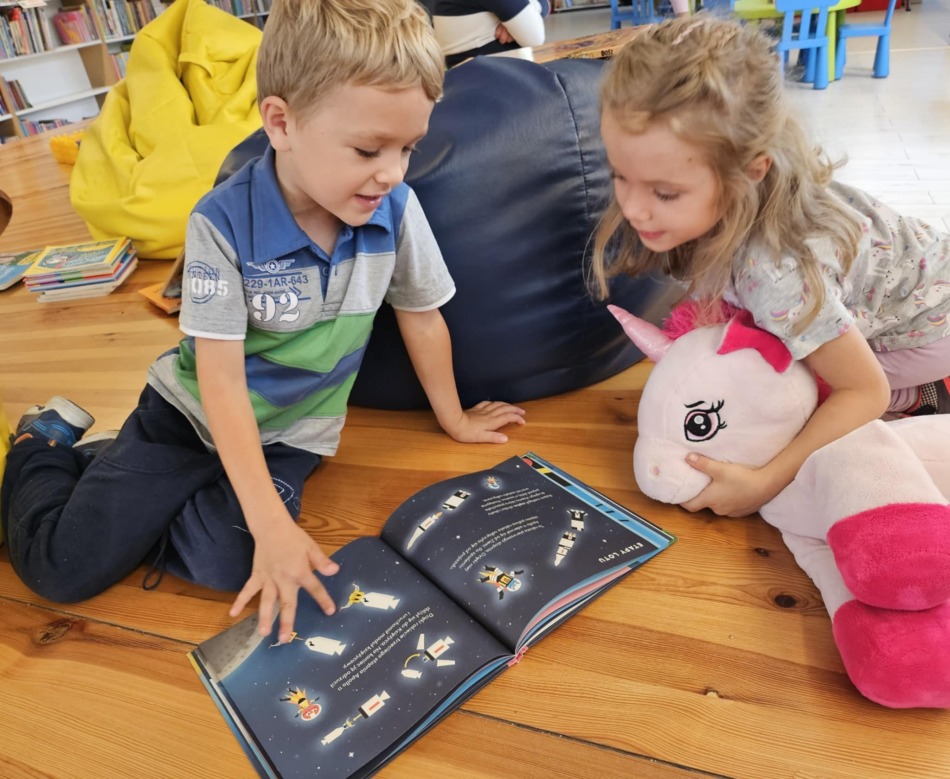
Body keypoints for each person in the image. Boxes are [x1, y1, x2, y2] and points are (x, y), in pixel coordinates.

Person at [1, 0, 525, 644]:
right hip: (188, 419)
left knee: (231, 561)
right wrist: (270, 521)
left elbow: (422, 316)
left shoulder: (396, 206)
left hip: (290, 436)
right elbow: (219, 381)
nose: (391, 173)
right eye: (368, 149)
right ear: (281, 122)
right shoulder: (221, 222)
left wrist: (455, 418)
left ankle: (115, 480)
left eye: (408, 149)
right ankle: (44, 444)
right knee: (61, 568)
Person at [589, 15, 950, 519]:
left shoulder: (775, 276)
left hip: (928, 329)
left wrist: (764, 481)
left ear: (749, 172)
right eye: (619, 175)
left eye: (665, 193)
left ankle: (922, 395)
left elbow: (865, 390)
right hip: (913, 273)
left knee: (800, 392)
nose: (632, 208)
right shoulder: (743, 203)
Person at [428, 0, 550, 68]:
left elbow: (545, 4)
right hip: (489, 83)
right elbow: (535, 37)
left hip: (477, 81)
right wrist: (530, 12)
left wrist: (532, 9)